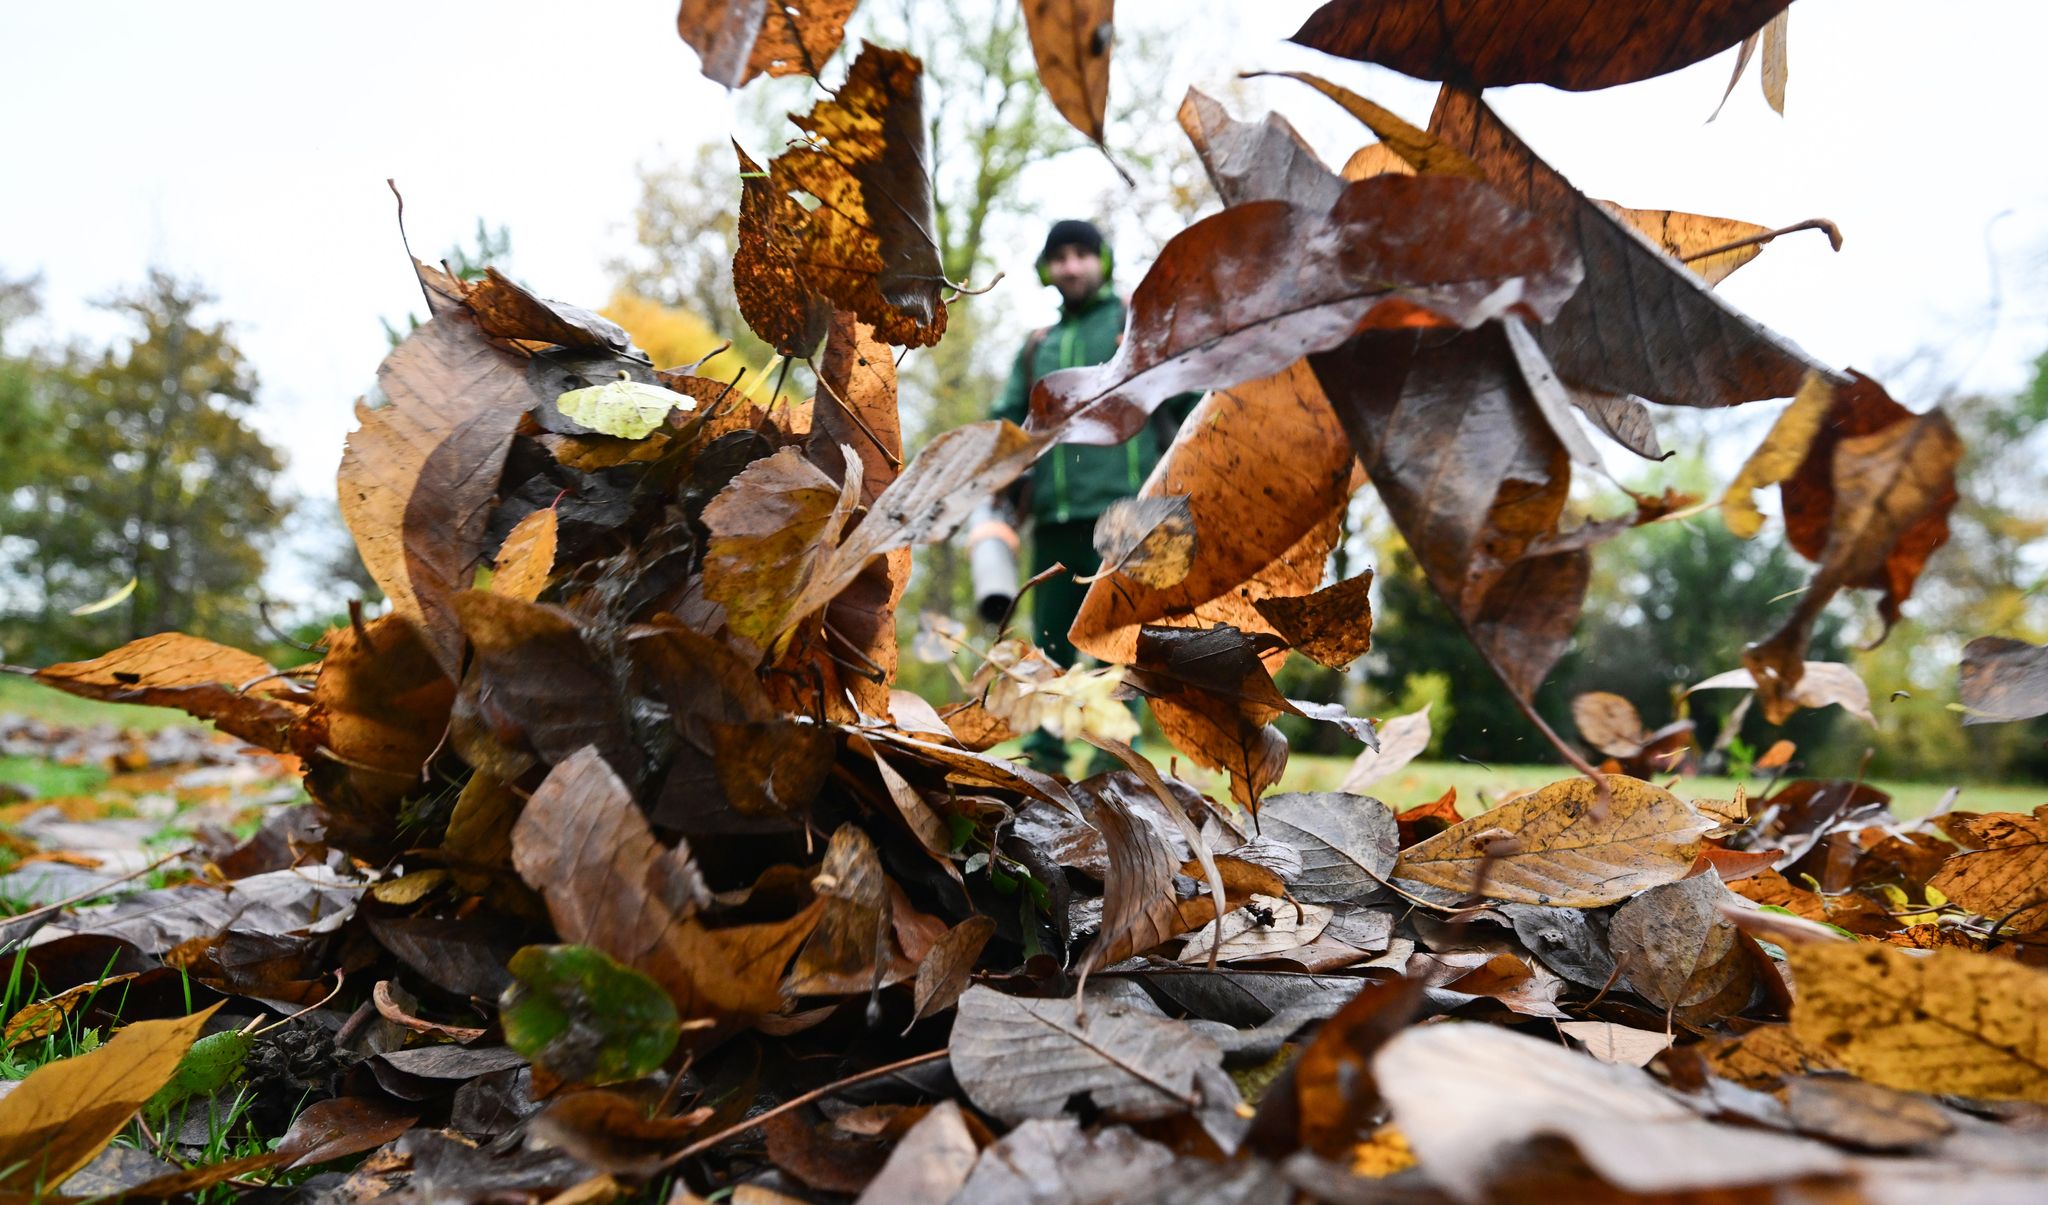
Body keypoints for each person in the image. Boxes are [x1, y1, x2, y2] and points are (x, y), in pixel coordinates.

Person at [987, 219, 1194, 774]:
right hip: (1054, 516)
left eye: (1082, 254)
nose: (1071, 265)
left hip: (1134, 511)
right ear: (1046, 269)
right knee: (1049, 646)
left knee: (1124, 644)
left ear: (1101, 261)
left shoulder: (1136, 323)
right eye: (1060, 257)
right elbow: (1006, 421)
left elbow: (1192, 392)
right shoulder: (1038, 347)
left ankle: (1115, 765)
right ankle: (1044, 762)